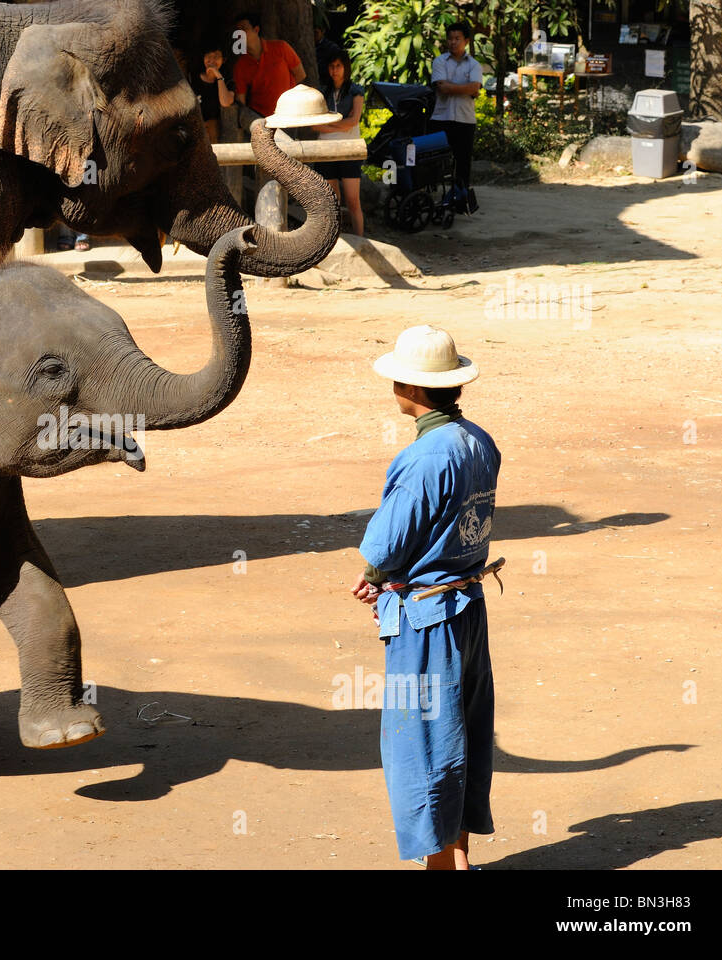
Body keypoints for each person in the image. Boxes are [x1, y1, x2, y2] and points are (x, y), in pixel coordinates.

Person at [349, 325, 500, 870]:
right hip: (468, 605)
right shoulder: (480, 441)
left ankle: (440, 866)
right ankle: (458, 857)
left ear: (408, 390)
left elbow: (388, 541)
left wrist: (373, 571)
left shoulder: (422, 458)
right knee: (461, 730)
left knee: (423, 742)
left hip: (427, 617)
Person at [312, 44, 365, 236]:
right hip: (325, 150)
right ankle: (336, 239)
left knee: (353, 201)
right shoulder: (321, 93)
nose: (334, 70)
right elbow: (315, 125)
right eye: (332, 66)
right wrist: (341, 122)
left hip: (349, 150)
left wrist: (330, 123)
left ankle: (361, 240)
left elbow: (354, 121)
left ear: (345, 67)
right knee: (332, 201)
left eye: (338, 66)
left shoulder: (356, 91)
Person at [430, 21, 482, 202]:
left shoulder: (474, 65)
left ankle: (461, 197)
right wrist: (468, 88)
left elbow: (475, 87)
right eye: (450, 38)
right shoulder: (439, 61)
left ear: (466, 41)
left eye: (457, 38)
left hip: (465, 119)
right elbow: (442, 88)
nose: (453, 42)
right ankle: (434, 195)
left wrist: (453, 87)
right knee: (436, 159)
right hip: (441, 117)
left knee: (463, 161)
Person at [232, 11, 306, 120]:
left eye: (243, 29)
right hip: (261, 120)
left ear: (256, 30)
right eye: (237, 30)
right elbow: (241, 100)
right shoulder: (240, 65)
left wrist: (289, 101)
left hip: (289, 115)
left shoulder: (281, 48)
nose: (239, 33)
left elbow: (300, 75)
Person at [192, 40, 235, 144]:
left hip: (217, 132)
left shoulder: (228, 80)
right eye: (208, 55)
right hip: (197, 128)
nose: (212, 60)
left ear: (223, 60)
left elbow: (225, 102)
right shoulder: (192, 78)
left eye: (216, 56)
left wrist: (218, 76)